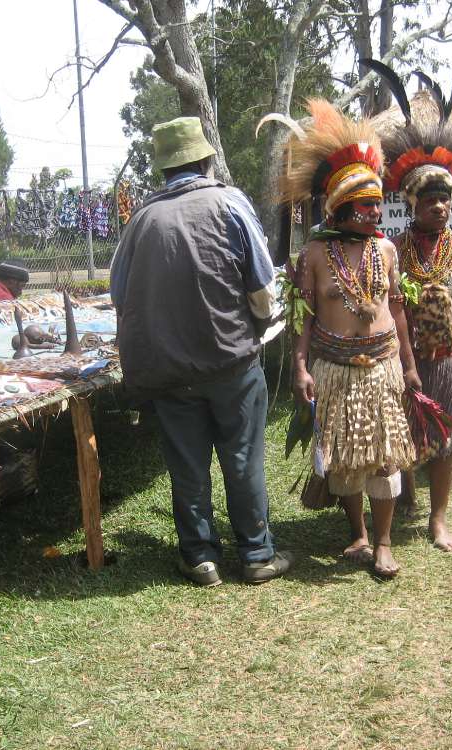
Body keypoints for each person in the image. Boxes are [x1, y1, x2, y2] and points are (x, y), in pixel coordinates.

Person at [110, 116, 290, 587]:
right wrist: (258, 325)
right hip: (232, 361)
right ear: (207, 160)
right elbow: (262, 287)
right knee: (243, 457)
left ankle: (200, 558)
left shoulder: (140, 221)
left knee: (187, 465)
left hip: (170, 371)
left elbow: (120, 296)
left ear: (164, 168)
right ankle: (256, 555)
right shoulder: (229, 203)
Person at [274, 96, 417, 578]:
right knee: (346, 459)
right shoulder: (315, 254)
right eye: (366, 206)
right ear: (341, 208)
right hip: (334, 369)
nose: (376, 213)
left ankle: (384, 542)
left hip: (382, 367)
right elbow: (303, 319)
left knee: (384, 457)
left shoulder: (387, 251)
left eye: (378, 204)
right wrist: (300, 367)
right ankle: (358, 533)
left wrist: (410, 366)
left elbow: (398, 311)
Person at [368, 67, 452, 551]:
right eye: (430, 200)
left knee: (448, 437)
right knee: (405, 433)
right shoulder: (393, 250)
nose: (440, 207)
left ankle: (438, 519)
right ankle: (405, 492)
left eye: (445, 200)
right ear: (412, 203)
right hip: (406, 358)